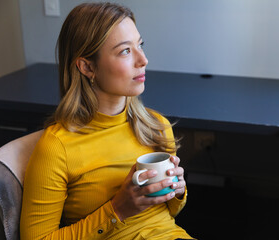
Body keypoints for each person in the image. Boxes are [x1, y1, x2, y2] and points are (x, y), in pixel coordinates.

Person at [20, 2, 193, 240]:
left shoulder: (156, 126)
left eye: (140, 45)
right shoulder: (57, 148)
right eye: (125, 51)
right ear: (87, 67)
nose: (143, 60)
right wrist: (117, 210)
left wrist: (177, 192)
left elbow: (167, 215)